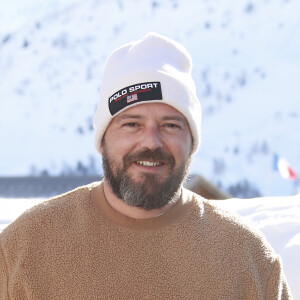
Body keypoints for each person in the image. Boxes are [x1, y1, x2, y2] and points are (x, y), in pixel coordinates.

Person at [0, 33, 292, 299]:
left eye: (171, 125)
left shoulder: (247, 258)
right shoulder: (24, 248)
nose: (151, 141)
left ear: (192, 142)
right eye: (131, 124)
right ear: (103, 139)